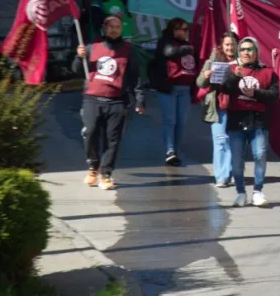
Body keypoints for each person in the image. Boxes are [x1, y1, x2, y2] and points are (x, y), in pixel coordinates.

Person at [74, 14, 145, 191]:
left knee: (112, 140)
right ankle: (93, 166)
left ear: (121, 29)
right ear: (104, 28)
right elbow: (75, 70)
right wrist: (78, 57)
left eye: (117, 26)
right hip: (92, 99)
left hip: (117, 102)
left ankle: (105, 174)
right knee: (90, 133)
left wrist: (139, 99)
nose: (114, 29)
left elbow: (136, 77)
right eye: (110, 26)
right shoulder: (92, 48)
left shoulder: (129, 50)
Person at [217, 37, 279, 207]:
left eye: (249, 49)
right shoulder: (232, 69)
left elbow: (274, 95)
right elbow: (224, 89)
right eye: (242, 49)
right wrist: (234, 77)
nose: (246, 52)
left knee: (260, 155)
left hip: (258, 121)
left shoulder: (267, 72)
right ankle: (240, 192)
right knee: (237, 160)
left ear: (256, 52)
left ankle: (258, 191)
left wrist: (256, 93)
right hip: (236, 120)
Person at [149, 18, 197, 166]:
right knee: (170, 120)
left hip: (185, 87)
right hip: (169, 87)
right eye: (183, 29)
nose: (185, 32)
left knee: (181, 122)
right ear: (174, 30)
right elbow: (169, 52)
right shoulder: (166, 42)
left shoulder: (188, 44)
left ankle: (175, 150)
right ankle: (169, 150)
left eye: (186, 29)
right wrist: (189, 49)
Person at [196, 32, 238, 188]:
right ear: (222, 46)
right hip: (218, 105)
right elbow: (200, 82)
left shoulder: (242, 60)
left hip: (237, 106)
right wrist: (206, 76)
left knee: (233, 141)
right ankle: (221, 176)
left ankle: (231, 172)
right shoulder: (213, 60)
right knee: (220, 141)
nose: (230, 47)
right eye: (227, 44)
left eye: (233, 44)